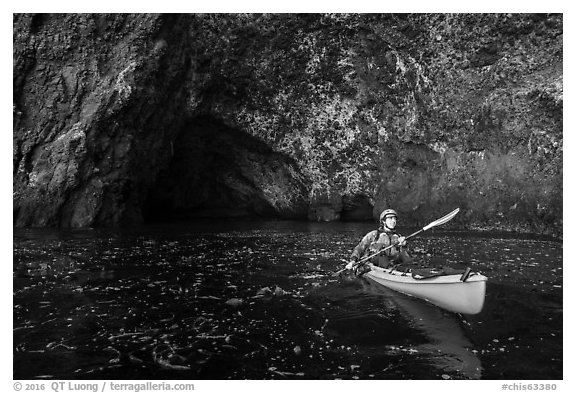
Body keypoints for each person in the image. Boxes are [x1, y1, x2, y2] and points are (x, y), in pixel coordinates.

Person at [346, 208, 413, 273]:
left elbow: (407, 254)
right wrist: (353, 260)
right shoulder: (374, 235)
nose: (393, 221)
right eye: (390, 218)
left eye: (394, 218)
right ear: (383, 221)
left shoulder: (398, 237)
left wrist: (404, 245)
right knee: (382, 255)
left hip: (392, 263)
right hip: (376, 262)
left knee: (404, 255)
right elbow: (359, 248)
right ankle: (393, 271)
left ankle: (411, 271)